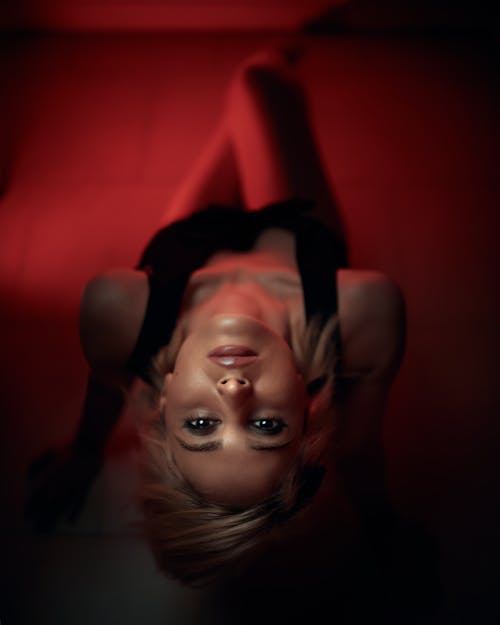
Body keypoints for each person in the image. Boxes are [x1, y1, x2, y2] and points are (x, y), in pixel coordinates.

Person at [25, 49, 406, 587]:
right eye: (266, 427)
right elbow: (361, 447)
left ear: (164, 399)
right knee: (262, 77)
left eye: (201, 426)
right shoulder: (364, 309)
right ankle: (285, 60)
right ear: (306, 404)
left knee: (247, 105)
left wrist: (84, 454)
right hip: (297, 229)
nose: (232, 391)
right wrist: (383, 527)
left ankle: (246, 114)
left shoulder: (120, 307)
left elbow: (107, 386)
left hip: (189, 242)